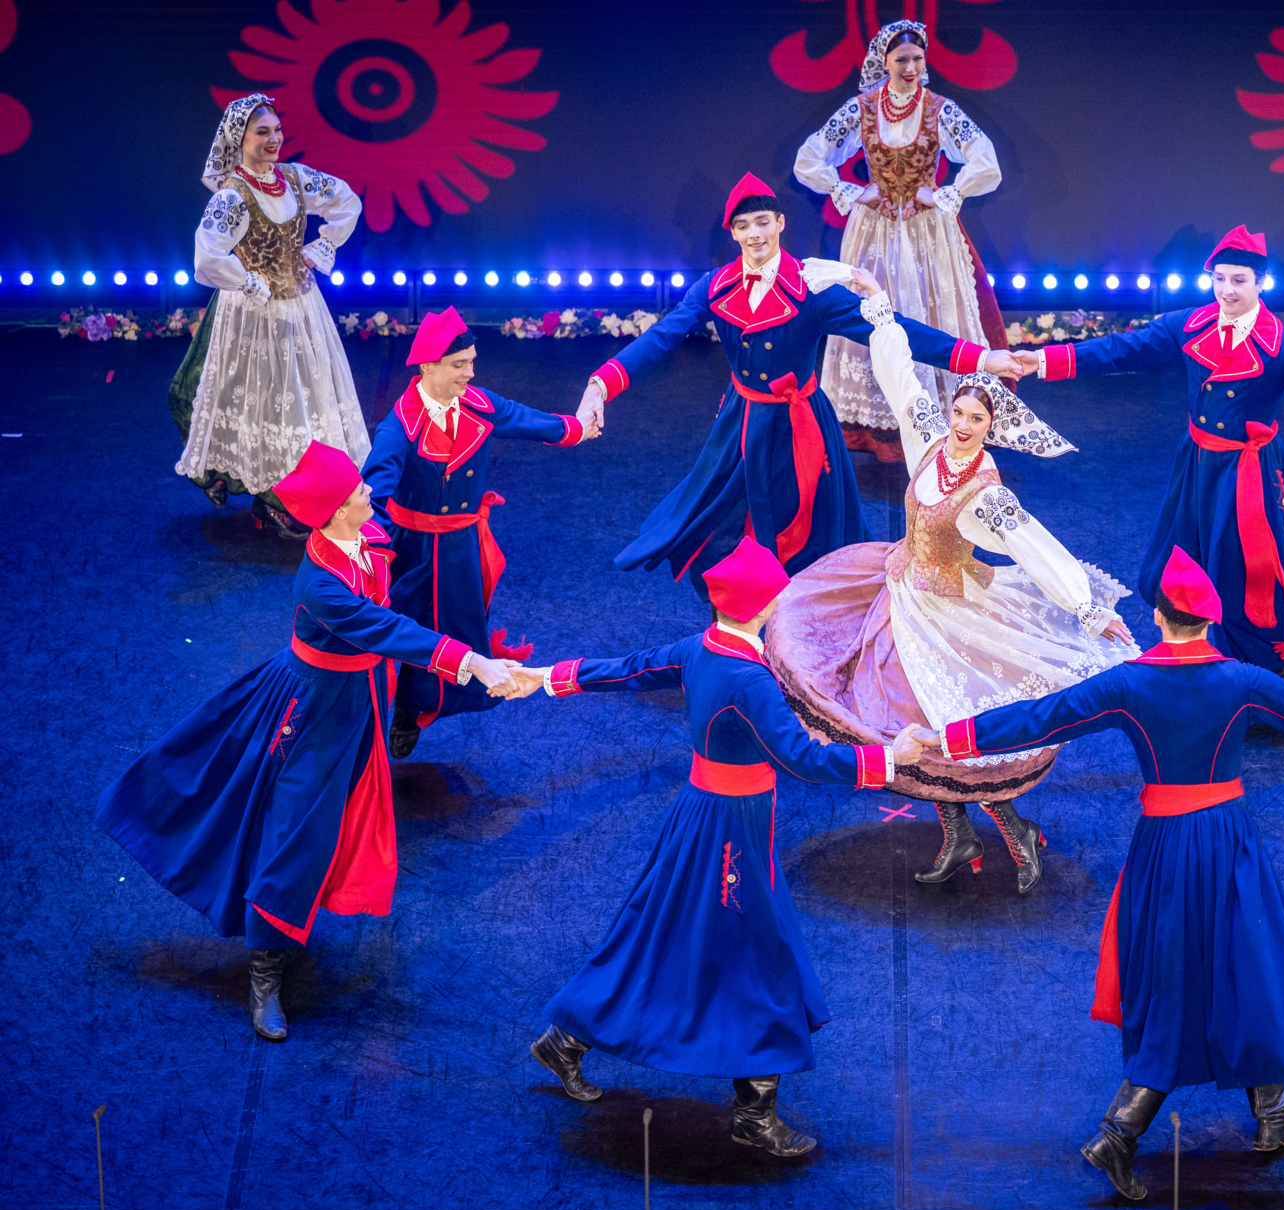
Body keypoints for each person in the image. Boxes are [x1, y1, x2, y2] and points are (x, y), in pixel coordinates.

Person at [923, 549, 1284, 1198]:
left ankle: (1271, 1116)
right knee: (1247, 962)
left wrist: (951, 738)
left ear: (1158, 616)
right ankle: (1127, 1133)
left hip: (1161, 848)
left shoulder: (1128, 684)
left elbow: (1043, 716)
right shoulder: (1242, 681)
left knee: (1181, 977)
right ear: (1211, 620)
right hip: (1229, 842)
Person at [512, 538, 930, 1157]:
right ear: (764, 606)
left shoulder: (700, 649)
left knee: (657, 930)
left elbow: (628, 669)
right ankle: (753, 1114)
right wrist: (889, 758)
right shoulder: (749, 679)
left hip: (699, 816)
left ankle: (566, 1040)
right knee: (758, 951)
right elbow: (803, 759)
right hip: (734, 830)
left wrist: (548, 677)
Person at [96, 443, 521, 1040]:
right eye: (357, 492)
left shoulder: (364, 533)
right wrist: (472, 661)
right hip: (315, 713)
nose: (368, 493)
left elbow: (387, 496)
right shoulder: (323, 586)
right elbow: (386, 628)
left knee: (341, 818)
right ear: (335, 512)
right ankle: (264, 971)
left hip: (360, 699)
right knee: (294, 831)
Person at [764, 273, 1138, 896]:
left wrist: (1086, 608)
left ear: (992, 425)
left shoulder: (986, 496)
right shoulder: (931, 442)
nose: (962, 424)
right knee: (909, 724)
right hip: (897, 591)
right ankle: (960, 834)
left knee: (950, 730)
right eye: (959, 412)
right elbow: (902, 382)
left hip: (950, 614)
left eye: (975, 418)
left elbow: (1035, 547)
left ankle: (1013, 828)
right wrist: (880, 314)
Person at [1011, 227, 1284, 691]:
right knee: (1188, 555)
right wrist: (1045, 361)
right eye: (1219, 279)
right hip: (1198, 466)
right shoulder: (1189, 325)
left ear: (1260, 284)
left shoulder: (1282, 348)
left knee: (1259, 569)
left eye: (1239, 280)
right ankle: (1213, 652)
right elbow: (1122, 350)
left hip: (1249, 474)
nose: (1227, 290)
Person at [570, 174, 1020, 594]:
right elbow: (661, 337)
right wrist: (600, 386)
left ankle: (803, 617)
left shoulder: (812, 289)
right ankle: (740, 617)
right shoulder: (715, 287)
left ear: (780, 223)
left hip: (800, 425)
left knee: (810, 532)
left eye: (762, 222)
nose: (755, 235)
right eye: (743, 226)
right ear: (733, 234)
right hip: (741, 423)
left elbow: (893, 328)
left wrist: (981, 357)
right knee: (721, 520)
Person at [362, 306, 596, 759]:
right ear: (428, 366)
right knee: (412, 629)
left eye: (471, 361)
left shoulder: (478, 405)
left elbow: (527, 419)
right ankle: (398, 709)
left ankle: (428, 702)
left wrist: (577, 430)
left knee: (460, 627)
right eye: (459, 364)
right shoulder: (399, 428)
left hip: (461, 545)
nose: (470, 373)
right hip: (414, 551)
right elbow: (373, 495)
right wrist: (370, 554)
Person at [793, 19, 1007, 461]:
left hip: (926, 232)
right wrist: (850, 190)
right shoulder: (861, 108)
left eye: (918, 59)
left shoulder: (940, 109)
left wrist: (946, 193)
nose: (911, 68)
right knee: (872, 314)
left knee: (927, 312)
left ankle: (941, 413)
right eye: (902, 60)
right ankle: (876, 424)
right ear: (884, 62)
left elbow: (986, 162)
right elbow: (809, 158)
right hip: (875, 229)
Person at [177, 94, 368, 539]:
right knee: (260, 400)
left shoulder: (295, 178)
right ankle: (271, 495)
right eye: (262, 132)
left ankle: (294, 494)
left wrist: (326, 243)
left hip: (301, 306)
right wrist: (246, 280)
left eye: (277, 130)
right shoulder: (233, 197)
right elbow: (206, 257)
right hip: (254, 314)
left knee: (302, 401)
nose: (274, 138)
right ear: (238, 139)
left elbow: (347, 200)